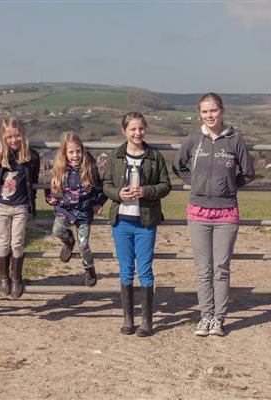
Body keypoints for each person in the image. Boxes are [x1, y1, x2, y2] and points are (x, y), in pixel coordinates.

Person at [173, 93, 255, 337]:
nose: (209, 116)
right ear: (200, 113)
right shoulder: (194, 139)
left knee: (221, 268)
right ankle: (205, 316)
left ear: (222, 111)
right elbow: (178, 166)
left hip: (226, 213)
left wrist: (229, 185)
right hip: (197, 211)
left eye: (213, 111)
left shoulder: (234, 140)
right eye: (205, 112)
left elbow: (248, 173)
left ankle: (219, 318)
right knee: (203, 268)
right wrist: (196, 182)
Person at [103, 112, 171, 337]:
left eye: (140, 128)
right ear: (124, 131)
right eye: (132, 129)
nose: (137, 132)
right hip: (121, 221)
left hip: (146, 221)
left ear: (145, 129)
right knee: (125, 269)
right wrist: (117, 194)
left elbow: (165, 185)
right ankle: (127, 319)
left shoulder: (154, 157)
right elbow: (106, 184)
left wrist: (146, 191)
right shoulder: (115, 156)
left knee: (145, 269)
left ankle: (147, 320)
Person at [0, 118, 40, 299]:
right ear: (3, 138)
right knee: (3, 242)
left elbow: (33, 179)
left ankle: (17, 278)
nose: (14, 140)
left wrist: (32, 200)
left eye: (17, 135)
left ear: (23, 135)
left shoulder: (31, 156)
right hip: (2, 207)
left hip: (21, 206)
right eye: (10, 137)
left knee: (18, 243)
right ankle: (3, 278)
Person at [45, 133, 107, 287]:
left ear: (83, 150)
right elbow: (52, 188)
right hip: (65, 210)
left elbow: (100, 187)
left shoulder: (89, 166)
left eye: (78, 151)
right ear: (64, 153)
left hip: (84, 212)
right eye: (71, 152)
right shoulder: (60, 168)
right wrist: (51, 198)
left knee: (84, 244)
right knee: (58, 230)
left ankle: (89, 269)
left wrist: (98, 202)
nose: (75, 155)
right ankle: (68, 242)